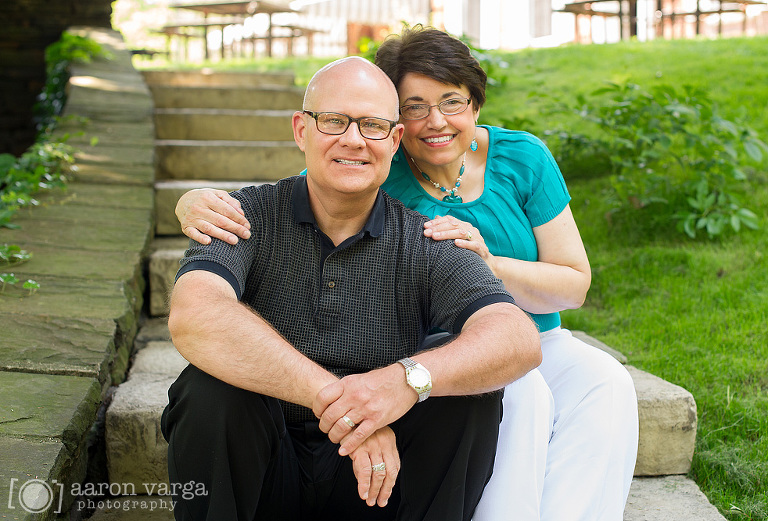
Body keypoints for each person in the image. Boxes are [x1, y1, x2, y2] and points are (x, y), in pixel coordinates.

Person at [175, 26, 640, 521]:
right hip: (279, 450)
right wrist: (353, 407)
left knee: (519, 391)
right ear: (301, 129)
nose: (354, 141)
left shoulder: (429, 231)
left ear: (391, 138)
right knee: (207, 391)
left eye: (372, 126)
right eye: (334, 121)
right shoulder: (248, 214)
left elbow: (518, 336)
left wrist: (402, 383)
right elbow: (195, 315)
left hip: (393, 460)